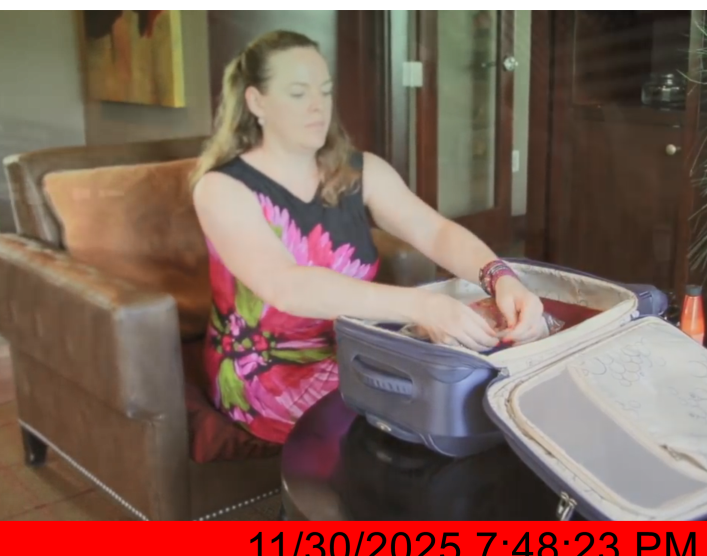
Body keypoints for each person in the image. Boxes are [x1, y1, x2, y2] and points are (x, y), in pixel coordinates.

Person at [191, 30, 547, 444]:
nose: (318, 105)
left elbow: (435, 232)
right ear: (256, 102)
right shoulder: (222, 188)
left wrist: (500, 277)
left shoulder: (361, 171)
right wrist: (422, 307)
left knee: (488, 390)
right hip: (268, 370)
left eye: (325, 91)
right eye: (298, 93)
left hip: (357, 347)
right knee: (438, 411)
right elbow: (285, 285)